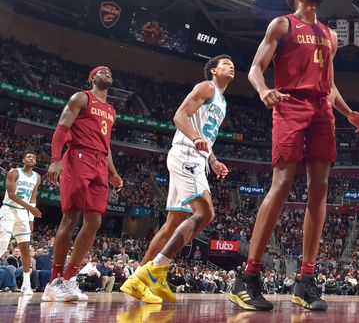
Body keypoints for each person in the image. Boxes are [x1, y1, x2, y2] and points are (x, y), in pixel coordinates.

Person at [228, 0, 359, 312]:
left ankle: (305, 281)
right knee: (282, 184)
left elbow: (331, 84)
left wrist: (348, 113)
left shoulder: (329, 35)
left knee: (319, 188)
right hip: (290, 105)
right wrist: (264, 90)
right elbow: (254, 69)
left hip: (322, 109)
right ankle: (248, 277)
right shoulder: (282, 24)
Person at [121, 55, 235, 304]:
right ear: (214, 71)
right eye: (225, 63)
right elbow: (179, 116)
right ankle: (157, 269)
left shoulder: (223, 101)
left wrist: (213, 160)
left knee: (173, 224)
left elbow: (207, 134)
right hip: (187, 153)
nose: (231, 66)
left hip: (197, 157)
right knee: (205, 214)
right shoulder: (207, 87)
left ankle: (137, 279)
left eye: (232, 64)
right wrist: (195, 139)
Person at [44, 66, 123, 302]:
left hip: (100, 162)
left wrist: (114, 173)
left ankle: (69, 278)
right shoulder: (81, 97)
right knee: (71, 216)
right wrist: (56, 160)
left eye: (110, 71)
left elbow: (106, 145)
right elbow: (62, 128)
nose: (107, 72)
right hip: (79, 156)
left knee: (95, 221)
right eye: (101, 71)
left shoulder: (111, 110)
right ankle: (54, 281)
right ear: (92, 78)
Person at [0, 151, 41, 295]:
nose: (31, 158)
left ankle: (26, 283)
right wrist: (30, 208)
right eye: (29, 156)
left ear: (35, 162)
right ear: (23, 160)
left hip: (23, 213)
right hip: (9, 210)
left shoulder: (37, 177)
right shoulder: (14, 172)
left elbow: (33, 197)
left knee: (25, 248)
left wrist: (31, 219)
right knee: (3, 243)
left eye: (34, 157)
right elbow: (11, 194)